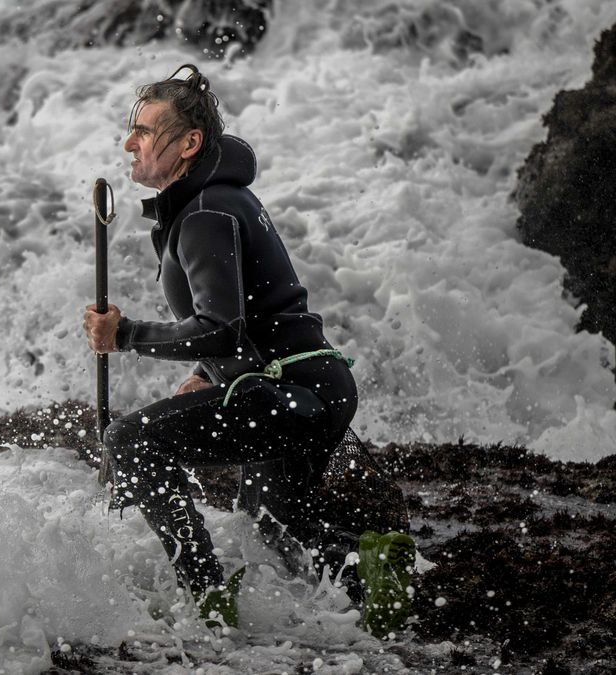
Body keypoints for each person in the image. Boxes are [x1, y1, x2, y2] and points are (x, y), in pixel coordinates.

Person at [82, 65, 414, 633]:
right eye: (130, 128)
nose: (128, 142)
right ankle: (370, 568)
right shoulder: (216, 199)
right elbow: (262, 314)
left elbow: (220, 327)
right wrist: (215, 378)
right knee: (273, 520)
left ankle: (206, 593)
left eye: (143, 130)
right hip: (312, 386)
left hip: (290, 390)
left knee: (129, 439)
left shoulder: (206, 211)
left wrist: (128, 334)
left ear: (189, 144)